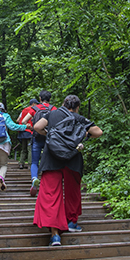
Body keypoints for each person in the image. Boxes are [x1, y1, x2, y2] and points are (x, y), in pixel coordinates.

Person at [32, 94, 102, 247]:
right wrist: (83, 136)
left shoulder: (51, 114)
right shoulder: (79, 118)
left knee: (51, 193)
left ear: (63, 104)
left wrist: (48, 133)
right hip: (72, 157)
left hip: (52, 157)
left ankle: (55, 235)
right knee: (72, 191)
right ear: (77, 107)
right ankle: (71, 222)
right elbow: (98, 132)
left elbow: (37, 127)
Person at [29, 90, 54, 197]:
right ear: (50, 99)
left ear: (39, 98)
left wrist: (33, 128)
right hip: (50, 138)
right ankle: (48, 183)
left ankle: (34, 178)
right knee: (49, 160)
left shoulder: (35, 109)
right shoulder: (54, 109)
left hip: (37, 137)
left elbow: (23, 120)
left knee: (34, 161)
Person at [14, 98, 38, 169]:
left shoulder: (23, 110)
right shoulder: (34, 110)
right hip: (30, 131)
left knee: (23, 148)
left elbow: (18, 120)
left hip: (22, 131)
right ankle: (30, 165)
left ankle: (21, 163)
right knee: (30, 148)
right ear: (33, 104)